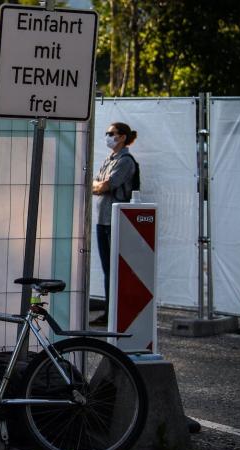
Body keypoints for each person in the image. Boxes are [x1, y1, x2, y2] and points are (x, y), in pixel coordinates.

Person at [91, 122, 138, 326]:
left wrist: (100, 186)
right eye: (107, 133)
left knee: (113, 270)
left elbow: (106, 185)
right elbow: (94, 184)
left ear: (122, 137)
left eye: (112, 133)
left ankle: (114, 314)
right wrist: (99, 186)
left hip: (114, 221)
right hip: (103, 220)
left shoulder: (126, 161)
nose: (108, 137)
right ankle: (110, 312)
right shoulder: (109, 160)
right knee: (107, 269)